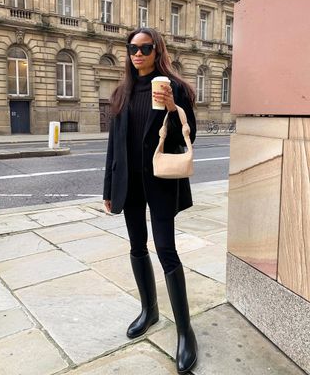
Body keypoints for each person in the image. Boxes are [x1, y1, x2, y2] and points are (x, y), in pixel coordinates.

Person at [103, 27, 197, 374]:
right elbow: (113, 146)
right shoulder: (122, 93)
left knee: (166, 250)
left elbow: (189, 135)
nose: (137, 54)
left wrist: (173, 110)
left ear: (157, 50)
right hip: (130, 184)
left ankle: (186, 332)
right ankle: (149, 310)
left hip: (159, 182)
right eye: (132, 48)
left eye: (145, 48)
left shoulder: (175, 89)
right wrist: (108, 189)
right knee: (137, 247)